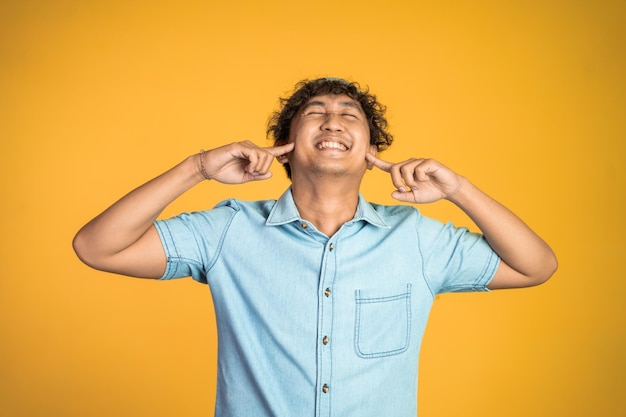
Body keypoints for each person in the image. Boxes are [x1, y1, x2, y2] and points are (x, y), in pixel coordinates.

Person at [73, 77, 557, 417]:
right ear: (285, 145)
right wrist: (196, 167)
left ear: (372, 154)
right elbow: (97, 247)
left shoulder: (415, 237)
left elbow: (537, 265)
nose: (332, 122)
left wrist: (459, 190)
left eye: (350, 115)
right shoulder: (228, 229)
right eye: (315, 114)